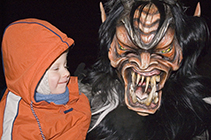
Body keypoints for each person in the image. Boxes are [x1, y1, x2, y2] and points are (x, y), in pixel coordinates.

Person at [0, 18, 91, 140]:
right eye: (56, 69)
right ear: (33, 75)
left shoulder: (74, 94)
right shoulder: (22, 123)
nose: (67, 73)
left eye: (65, 65)